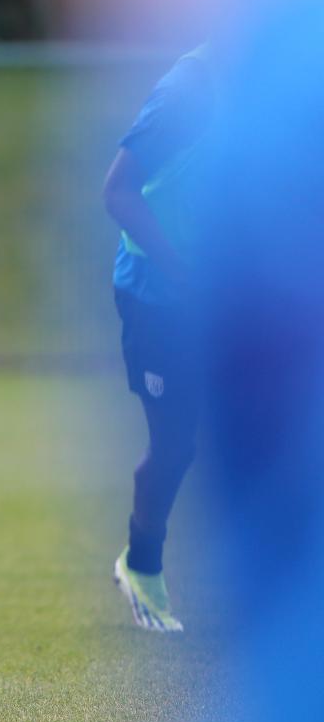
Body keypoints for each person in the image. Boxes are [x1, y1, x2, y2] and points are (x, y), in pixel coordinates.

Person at [102, 44, 214, 633]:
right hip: (161, 296)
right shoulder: (185, 93)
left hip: (243, 292)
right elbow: (117, 192)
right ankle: (142, 566)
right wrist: (186, 275)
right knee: (176, 446)